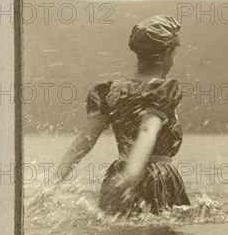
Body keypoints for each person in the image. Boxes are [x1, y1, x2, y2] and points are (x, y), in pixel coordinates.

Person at [57, 14, 191, 215]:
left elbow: (86, 139)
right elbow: (147, 130)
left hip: (117, 173)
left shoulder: (109, 91)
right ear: (167, 54)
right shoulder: (164, 89)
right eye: (173, 55)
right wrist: (130, 176)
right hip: (155, 177)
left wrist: (56, 178)